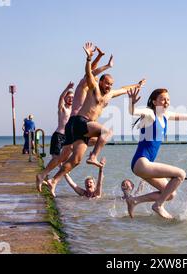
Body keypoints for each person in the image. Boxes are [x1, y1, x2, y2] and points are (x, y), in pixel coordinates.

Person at [44, 42, 145, 197]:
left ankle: (53, 181)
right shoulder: (93, 87)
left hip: (83, 128)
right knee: (106, 131)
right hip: (81, 121)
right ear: (101, 82)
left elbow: (124, 89)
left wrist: (137, 84)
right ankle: (93, 156)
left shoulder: (110, 94)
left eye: (111, 84)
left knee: (75, 160)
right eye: (107, 83)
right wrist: (90, 59)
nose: (109, 86)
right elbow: (89, 74)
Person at [125, 87, 187, 219]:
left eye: (168, 99)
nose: (166, 102)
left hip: (144, 165)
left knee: (170, 194)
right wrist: (131, 101)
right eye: (163, 99)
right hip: (141, 162)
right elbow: (132, 111)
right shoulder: (150, 114)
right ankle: (158, 205)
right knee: (180, 174)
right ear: (154, 102)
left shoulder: (166, 115)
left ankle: (134, 200)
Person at [36, 45, 112, 191]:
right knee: (66, 156)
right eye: (95, 80)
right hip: (74, 126)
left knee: (67, 156)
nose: (95, 83)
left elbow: (91, 73)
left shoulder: (90, 93)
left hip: (75, 128)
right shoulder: (83, 86)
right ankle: (50, 176)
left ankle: (46, 176)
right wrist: (103, 63)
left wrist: (99, 58)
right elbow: (90, 72)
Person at [35, 82, 74, 192]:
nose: (71, 99)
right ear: (66, 98)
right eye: (69, 97)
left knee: (65, 160)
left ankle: (49, 180)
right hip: (58, 136)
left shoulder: (74, 110)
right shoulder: (62, 108)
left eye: (72, 98)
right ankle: (47, 179)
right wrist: (67, 88)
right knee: (56, 159)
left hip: (68, 138)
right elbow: (60, 97)